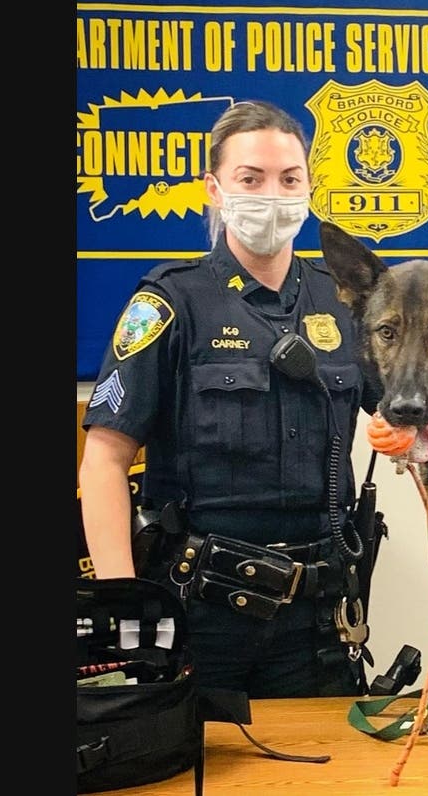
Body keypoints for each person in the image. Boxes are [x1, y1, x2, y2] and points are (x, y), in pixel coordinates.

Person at [79, 100, 382, 698]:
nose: (273, 194)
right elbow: (105, 460)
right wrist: (124, 601)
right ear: (215, 189)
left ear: (309, 188)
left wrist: (413, 437)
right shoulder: (172, 302)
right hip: (201, 612)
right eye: (252, 179)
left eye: (289, 179)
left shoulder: (345, 302)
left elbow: (413, 418)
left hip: (318, 615)